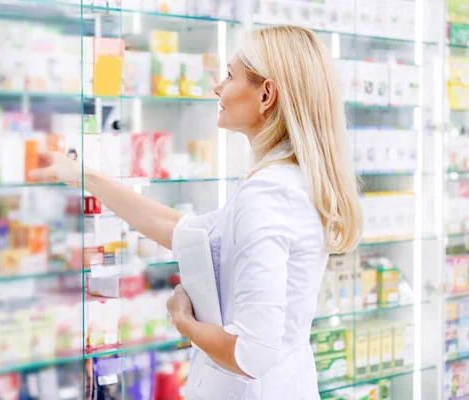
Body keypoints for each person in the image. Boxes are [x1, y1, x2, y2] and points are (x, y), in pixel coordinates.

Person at [30, 26, 362, 400]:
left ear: (266, 94)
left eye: (231, 75)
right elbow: (182, 231)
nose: (218, 88)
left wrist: (183, 321)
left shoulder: (269, 194)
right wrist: (82, 175)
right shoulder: (282, 181)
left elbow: (251, 353)